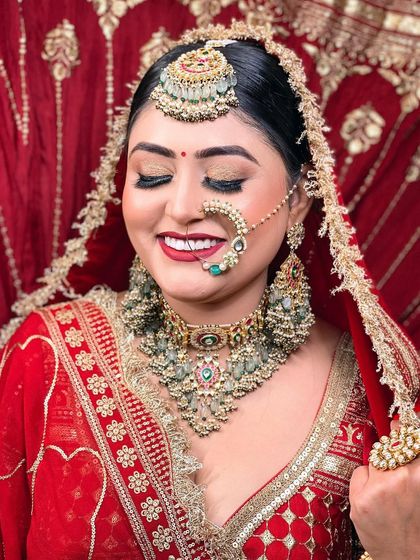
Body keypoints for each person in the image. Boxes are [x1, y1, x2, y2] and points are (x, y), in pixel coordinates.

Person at [0, 21, 419, 560]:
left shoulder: (372, 400)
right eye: (151, 175)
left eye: (223, 179)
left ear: (297, 200)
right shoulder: (47, 359)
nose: (179, 210)